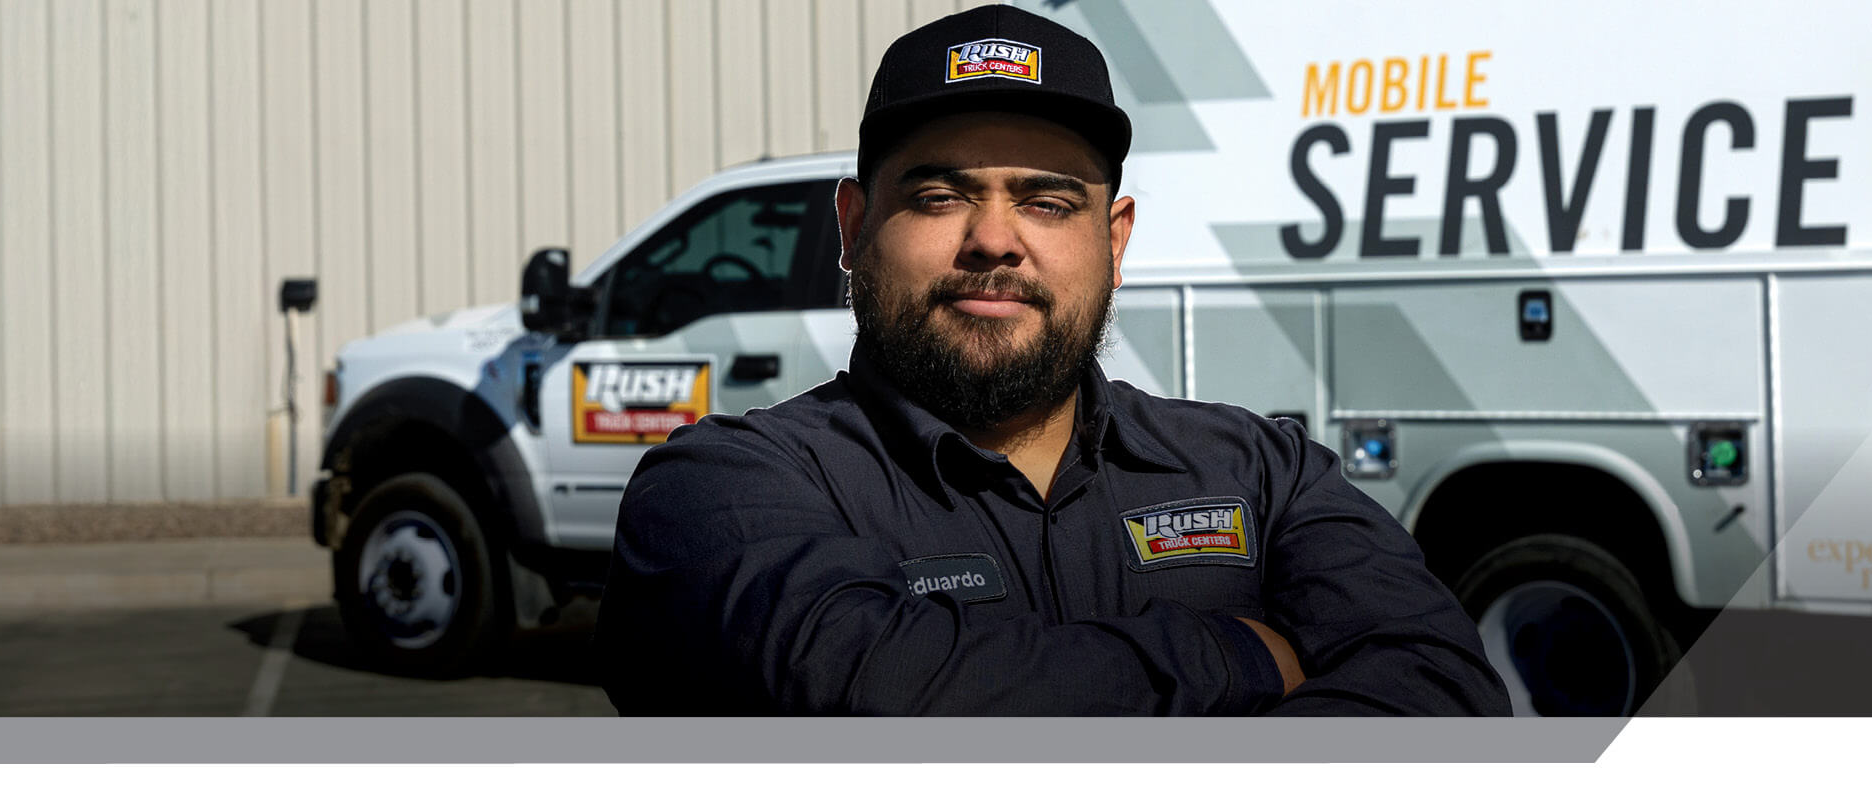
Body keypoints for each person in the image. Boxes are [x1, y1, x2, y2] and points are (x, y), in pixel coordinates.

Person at [595, 4, 1509, 716]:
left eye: (1048, 202)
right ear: (855, 226)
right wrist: (1237, 655)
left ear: (1115, 242)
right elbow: (861, 694)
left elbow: (1442, 693)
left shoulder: (1263, 475)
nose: (994, 240)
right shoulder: (716, 488)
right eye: (941, 193)